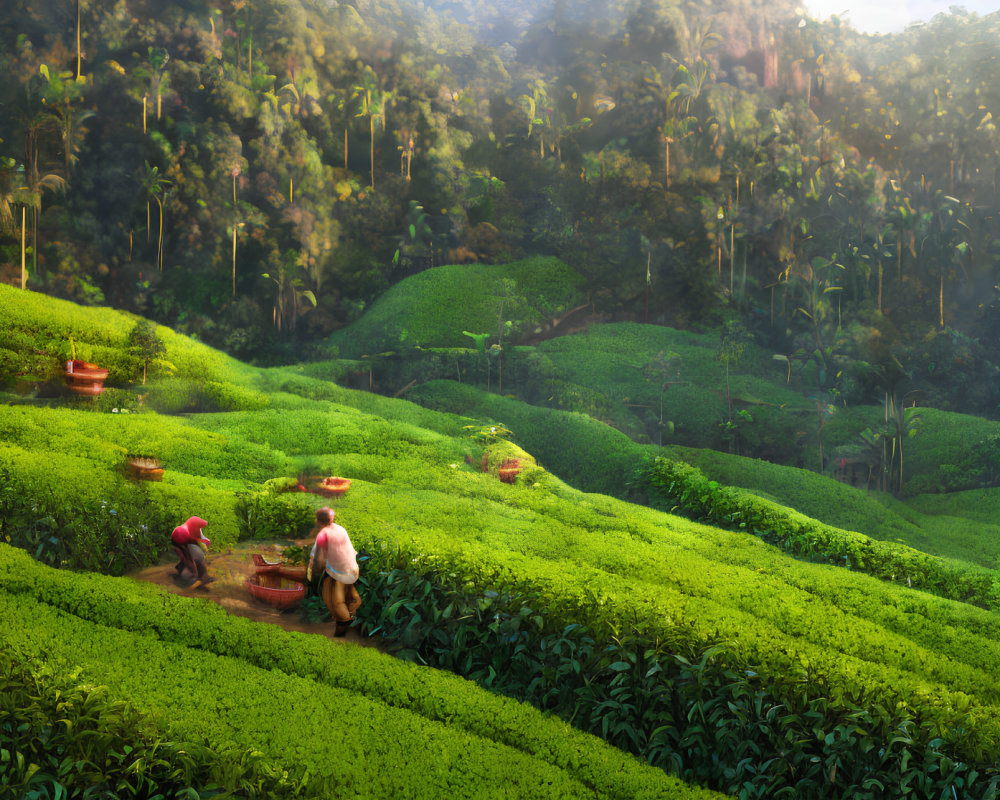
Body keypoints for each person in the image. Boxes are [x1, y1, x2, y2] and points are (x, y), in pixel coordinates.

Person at [307, 506, 361, 635]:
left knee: (337, 603)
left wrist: (313, 579)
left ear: (318, 521)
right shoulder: (339, 529)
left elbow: (318, 561)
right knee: (328, 595)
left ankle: (344, 624)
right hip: (352, 568)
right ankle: (350, 608)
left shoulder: (323, 536)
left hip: (340, 574)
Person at [171, 516, 215, 589]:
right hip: (184, 542)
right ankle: (199, 577)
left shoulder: (190, 529)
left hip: (183, 542)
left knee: (195, 559)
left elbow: (200, 541)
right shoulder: (187, 533)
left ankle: (201, 576)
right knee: (195, 559)